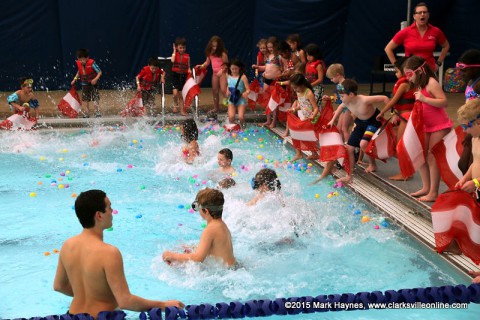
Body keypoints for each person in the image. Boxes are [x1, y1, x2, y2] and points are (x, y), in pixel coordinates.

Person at [53, 190, 184, 317]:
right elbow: (125, 301)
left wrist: (88, 295)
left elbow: (59, 286)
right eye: (109, 207)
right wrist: (163, 305)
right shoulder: (109, 252)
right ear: (99, 215)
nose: (112, 212)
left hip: (72, 316)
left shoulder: (67, 246)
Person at [404, 55, 452, 202]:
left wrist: (425, 99)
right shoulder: (420, 84)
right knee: (420, 154)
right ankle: (426, 187)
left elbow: (444, 102)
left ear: (419, 71)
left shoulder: (431, 83)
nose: (408, 78)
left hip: (439, 125)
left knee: (432, 157)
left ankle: (433, 192)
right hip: (426, 125)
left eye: (409, 74)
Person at [327, 79, 389, 183]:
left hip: (373, 122)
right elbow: (339, 108)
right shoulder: (346, 102)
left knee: (363, 143)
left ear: (351, 94)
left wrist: (389, 112)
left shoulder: (364, 100)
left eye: (342, 96)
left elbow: (385, 98)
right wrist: (332, 120)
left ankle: (372, 164)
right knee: (350, 148)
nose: (341, 99)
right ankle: (349, 176)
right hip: (361, 123)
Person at [162, 188, 237, 267]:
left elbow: (198, 258)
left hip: (225, 273)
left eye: (198, 207)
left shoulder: (210, 229)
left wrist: (173, 256)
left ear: (206, 211)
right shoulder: (222, 225)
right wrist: (193, 249)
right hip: (234, 267)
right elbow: (215, 250)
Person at [376, 57, 416, 180]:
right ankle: (407, 169)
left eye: (397, 71)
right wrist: (394, 114)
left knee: (400, 145)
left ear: (404, 72)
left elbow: (393, 101)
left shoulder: (404, 84)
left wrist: (382, 112)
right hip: (402, 115)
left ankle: (405, 173)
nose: (395, 73)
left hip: (407, 116)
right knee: (396, 141)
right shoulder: (404, 83)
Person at [385, 2, 450, 72]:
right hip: (411, 72)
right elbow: (388, 48)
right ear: (414, 16)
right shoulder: (406, 32)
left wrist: (438, 63)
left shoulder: (436, 31)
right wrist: (398, 69)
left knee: (434, 83)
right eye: (419, 13)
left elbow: (446, 46)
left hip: (429, 71)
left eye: (424, 12)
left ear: (428, 15)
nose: (422, 14)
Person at [457, 49, 480, 176]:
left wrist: (471, 132)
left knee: (471, 164)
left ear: (476, 68)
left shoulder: (479, 84)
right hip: (471, 126)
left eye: (464, 69)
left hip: (476, 127)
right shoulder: (471, 82)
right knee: (464, 164)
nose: (461, 73)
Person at [287, 73, 319, 161]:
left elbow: (315, 108)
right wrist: (293, 109)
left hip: (310, 119)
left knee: (303, 135)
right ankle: (303, 153)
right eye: (293, 88)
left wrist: (313, 116)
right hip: (304, 118)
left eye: (296, 87)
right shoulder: (298, 92)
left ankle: (302, 154)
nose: (295, 90)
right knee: (298, 134)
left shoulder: (308, 93)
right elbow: (302, 105)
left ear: (302, 85)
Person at [252, 37, 283, 128]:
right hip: (267, 80)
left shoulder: (279, 56)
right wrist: (257, 67)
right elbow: (266, 67)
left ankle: (274, 121)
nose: (269, 49)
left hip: (275, 81)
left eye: (271, 47)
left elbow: (284, 67)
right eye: (268, 47)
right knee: (266, 100)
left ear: (276, 46)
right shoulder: (268, 56)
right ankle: (268, 120)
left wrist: (281, 75)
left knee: (274, 101)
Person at [197, 36, 229, 114]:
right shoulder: (210, 53)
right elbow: (207, 62)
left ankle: (230, 107)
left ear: (219, 46)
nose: (214, 48)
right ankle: (216, 108)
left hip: (223, 73)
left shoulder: (223, 54)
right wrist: (201, 66)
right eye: (213, 46)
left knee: (224, 90)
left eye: (216, 46)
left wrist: (222, 71)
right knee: (214, 91)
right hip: (215, 74)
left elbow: (227, 65)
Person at [71, 48, 102, 118]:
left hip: (94, 83)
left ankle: (97, 112)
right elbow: (79, 72)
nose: (82, 61)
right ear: (78, 59)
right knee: (85, 99)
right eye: (80, 60)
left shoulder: (92, 63)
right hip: (85, 84)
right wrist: (74, 79)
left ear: (87, 58)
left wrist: (95, 79)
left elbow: (100, 72)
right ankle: (87, 113)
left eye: (83, 59)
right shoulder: (79, 63)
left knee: (95, 98)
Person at [325, 64, 351, 142]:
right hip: (344, 107)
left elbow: (347, 100)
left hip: (348, 108)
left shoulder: (344, 85)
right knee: (339, 128)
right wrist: (330, 98)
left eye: (332, 78)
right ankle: (341, 144)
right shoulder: (340, 85)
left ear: (338, 75)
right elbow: (340, 99)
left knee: (344, 128)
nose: (331, 80)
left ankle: (349, 146)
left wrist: (339, 109)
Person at [226, 59, 250, 127]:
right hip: (232, 98)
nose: (234, 70)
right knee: (231, 117)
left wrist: (246, 93)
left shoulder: (243, 77)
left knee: (241, 117)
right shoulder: (228, 75)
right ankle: (235, 127)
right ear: (230, 68)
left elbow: (248, 89)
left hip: (241, 99)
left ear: (239, 68)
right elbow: (229, 84)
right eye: (232, 69)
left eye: (236, 69)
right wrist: (227, 90)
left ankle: (243, 127)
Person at [170, 37, 191, 115]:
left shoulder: (187, 56)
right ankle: (175, 104)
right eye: (180, 48)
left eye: (183, 48)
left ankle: (182, 111)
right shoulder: (175, 55)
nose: (182, 49)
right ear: (177, 47)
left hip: (183, 76)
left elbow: (188, 66)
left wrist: (189, 69)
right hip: (175, 75)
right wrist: (174, 51)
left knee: (181, 95)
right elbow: (172, 60)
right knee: (175, 93)